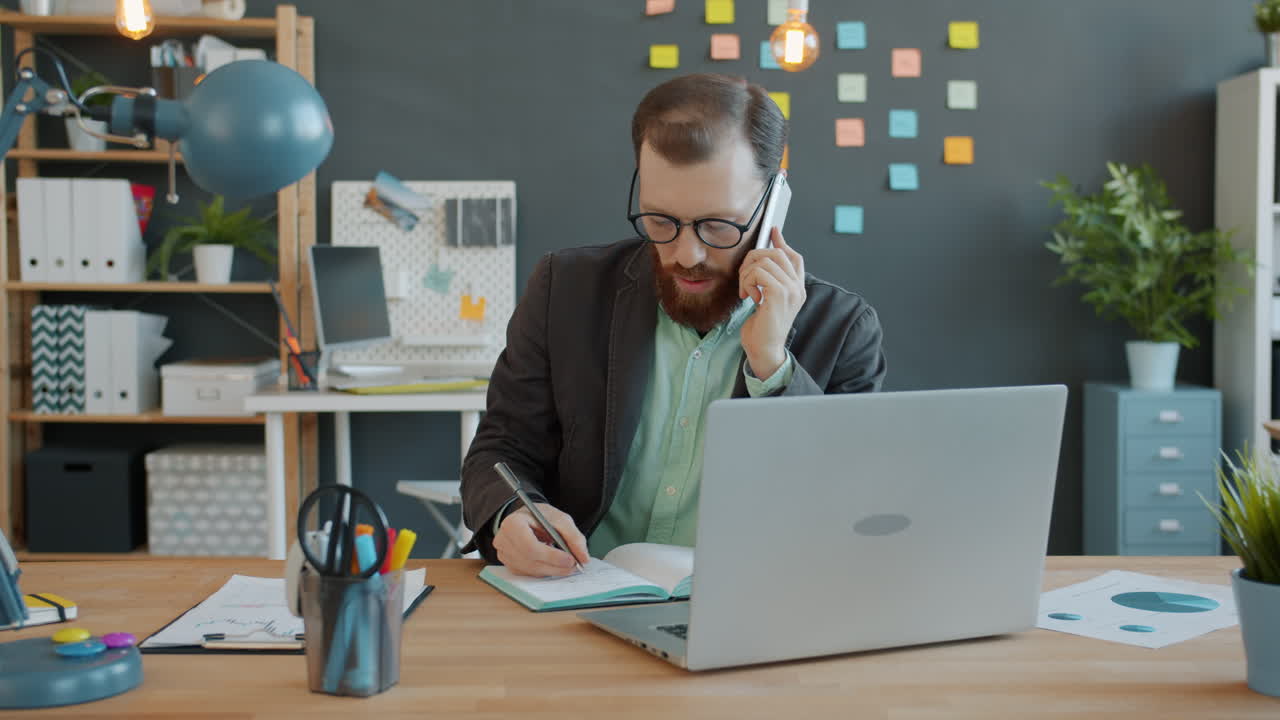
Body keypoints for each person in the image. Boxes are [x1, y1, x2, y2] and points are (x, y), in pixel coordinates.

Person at [460, 73, 886, 577]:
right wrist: (509, 514)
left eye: (718, 225)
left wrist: (773, 367)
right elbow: (501, 449)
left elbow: (846, 506)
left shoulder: (843, 330)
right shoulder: (565, 290)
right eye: (661, 221)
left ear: (774, 202)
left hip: (747, 605)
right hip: (574, 600)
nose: (687, 254)